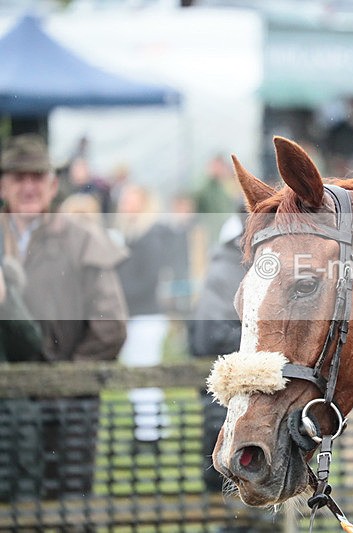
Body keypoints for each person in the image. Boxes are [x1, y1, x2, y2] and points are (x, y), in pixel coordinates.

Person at [0, 133, 128, 500]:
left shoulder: (81, 240)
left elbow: (111, 327)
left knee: (67, 507)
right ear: (2, 184)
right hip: (6, 404)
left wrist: (65, 380)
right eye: (17, 177)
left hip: (66, 408)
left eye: (36, 177)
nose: (28, 186)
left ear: (53, 184)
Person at [187, 210, 247, 491]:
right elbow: (208, 335)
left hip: (252, 397)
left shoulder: (255, 265)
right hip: (225, 398)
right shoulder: (226, 268)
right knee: (224, 482)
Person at [114, 184, 173, 448]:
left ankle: (149, 435)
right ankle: (152, 429)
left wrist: (118, 294)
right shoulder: (132, 235)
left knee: (144, 377)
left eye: (130, 198)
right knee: (140, 377)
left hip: (145, 317)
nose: (124, 203)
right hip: (137, 316)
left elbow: (147, 280)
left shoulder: (150, 235)